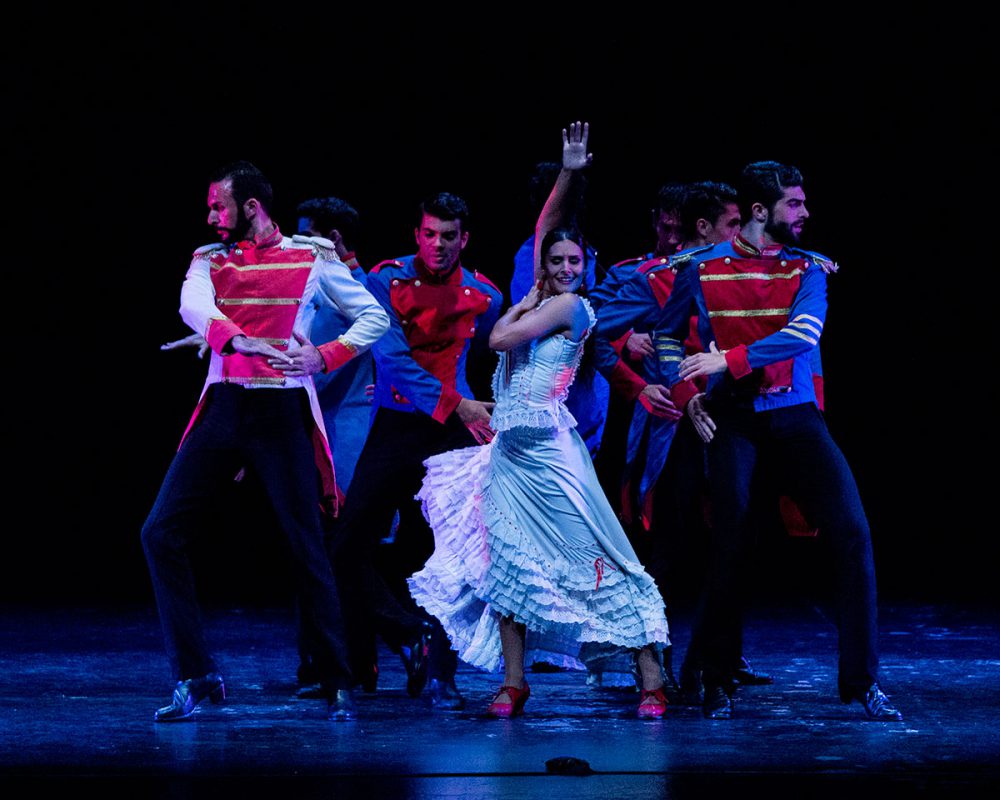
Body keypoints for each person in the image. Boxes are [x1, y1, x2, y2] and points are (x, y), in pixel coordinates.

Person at [597, 161, 900, 721]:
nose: (805, 213)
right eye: (796, 204)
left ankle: (862, 683)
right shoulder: (699, 268)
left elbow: (803, 333)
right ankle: (714, 676)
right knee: (730, 539)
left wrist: (726, 359)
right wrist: (686, 393)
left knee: (853, 533)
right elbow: (663, 335)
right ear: (762, 211)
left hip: (795, 416)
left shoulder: (810, 269)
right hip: (731, 418)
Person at [409, 123, 670, 719]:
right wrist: (569, 173)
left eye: (576, 259)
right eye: (557, 259)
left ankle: (650, 675)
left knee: (596, 553)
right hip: (509, 452)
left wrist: (521, 306)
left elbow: (499, 338)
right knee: (507, 564)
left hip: (550, 448)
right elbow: (546, 227)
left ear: (585, 266)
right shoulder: (542, 293)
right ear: (544, 264)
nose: (567, 265)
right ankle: (514, 681)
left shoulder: (572, 306)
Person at [142, 162, 389, 722]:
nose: (210, 217)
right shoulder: (209, 259)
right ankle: (195, 676)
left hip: (280, 408)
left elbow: (373, 317)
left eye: (218, 206)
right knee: (160, 532)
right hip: (227, 404)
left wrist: (323, 355)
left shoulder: (312, 256)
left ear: (251, 206)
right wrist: (233, 337)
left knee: (306, 542)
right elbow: (194, 305)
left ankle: (337, 679)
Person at [331, 191, 503, 710]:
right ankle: (409, 635)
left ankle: (441, 674)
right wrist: (462, 406)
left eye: (449, 236)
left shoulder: (485, 295)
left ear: (464, 239)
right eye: (429, 234)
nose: (438, 245)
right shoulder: (385, 280)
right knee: (343, 548)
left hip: (453, 437)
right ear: (417, 235)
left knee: (444, 559)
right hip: (399, 426)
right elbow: (393, 362)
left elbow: (494, 364)